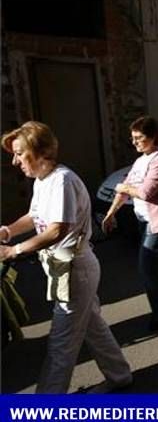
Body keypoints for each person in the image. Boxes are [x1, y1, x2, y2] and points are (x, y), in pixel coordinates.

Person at [0, 121, 132, 393]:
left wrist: (15, 250)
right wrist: (9, 230)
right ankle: (120, 375)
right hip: (64, 265)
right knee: (92, 325)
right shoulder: (43, 180)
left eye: (19, 153)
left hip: (74, 268)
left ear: (41, 152)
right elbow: (35, 216)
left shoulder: (62, 180)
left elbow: (56, 230)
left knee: (61, 344)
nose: (14, 161)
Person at [104, 116, 158, 331]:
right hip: (144, 219)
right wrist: (110, 214)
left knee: (147, 265)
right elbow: (127, 188)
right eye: (133, 138)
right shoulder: (140, 161)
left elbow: (145, 192)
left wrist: (123, 188)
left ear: (152, 137)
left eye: (139, 138)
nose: (135, 142)